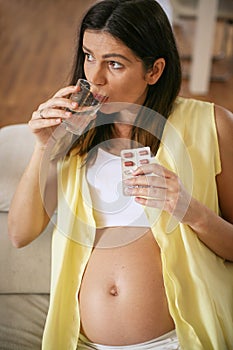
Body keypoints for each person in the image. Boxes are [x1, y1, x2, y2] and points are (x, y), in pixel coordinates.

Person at [8, 0, 233, 349]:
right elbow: (20, 234)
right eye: (88, 56)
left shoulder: (212, 125)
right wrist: (44, 148)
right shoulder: (74, 135)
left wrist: (192, 212)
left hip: (178, 341)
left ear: (154, 70)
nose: (94, 78)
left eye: (114, 63)